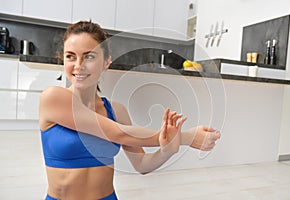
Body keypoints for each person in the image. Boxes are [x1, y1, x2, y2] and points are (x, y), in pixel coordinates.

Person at [39, 20, 221, 200]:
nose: (78, 65)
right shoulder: (53, 98)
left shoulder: (117, 111)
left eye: (89, 56)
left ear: (106, 62)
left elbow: (142, 165)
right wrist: (187, 137)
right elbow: (117, 134)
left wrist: (167, 150)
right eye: (70, 56)